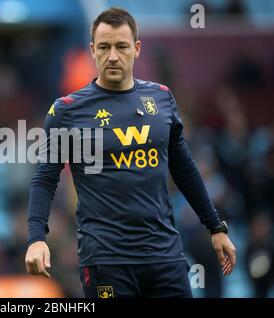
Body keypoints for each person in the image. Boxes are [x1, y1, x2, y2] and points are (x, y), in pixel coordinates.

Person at [25, 7, 236, 298]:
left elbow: (184, 168)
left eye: (121, 46)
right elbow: (45, 179)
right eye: (104, 47)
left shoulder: (161, 98)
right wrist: (37, 238)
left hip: (165, 257)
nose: (113, 55)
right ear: (92, 50)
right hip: (107, 261)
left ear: (136, 49)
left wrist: (216, 227)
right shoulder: (67, 110)